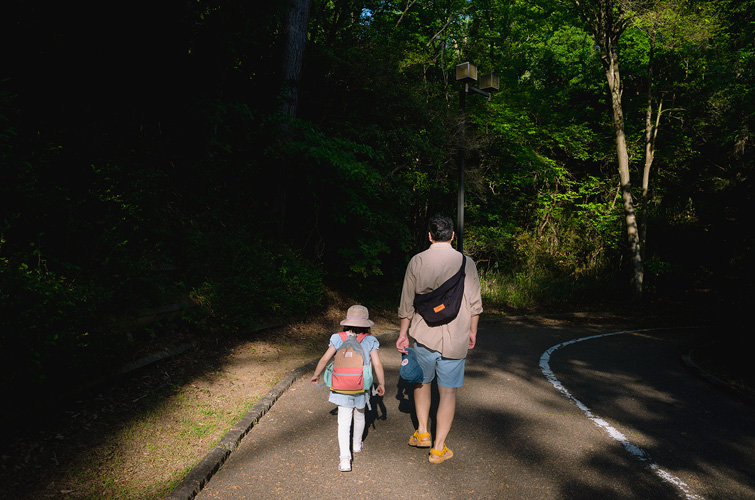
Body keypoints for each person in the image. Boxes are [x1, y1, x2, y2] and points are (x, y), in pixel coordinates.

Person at [396, 214, 483, 464]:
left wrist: (403, 333)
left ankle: (422, 432)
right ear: (453, 236)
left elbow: (406, 303)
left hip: (425, 334)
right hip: (456, 337)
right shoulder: (467, 263)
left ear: (430, 236)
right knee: (448, 393)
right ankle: (438, 447)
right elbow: (475, 304)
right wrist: (472, 331)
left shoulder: (417, 261)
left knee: (421, 383)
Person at [311, 305, 386, 472]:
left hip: (341, 386)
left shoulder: (338, 338)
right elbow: (378, 365)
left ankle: (345, 458)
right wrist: (381, 383)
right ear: (367, 324)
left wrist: (316, 375)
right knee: (360, 414)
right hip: (361, 385)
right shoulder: (370, 340)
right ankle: (357, 444)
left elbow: (325, 359)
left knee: (343, 421)